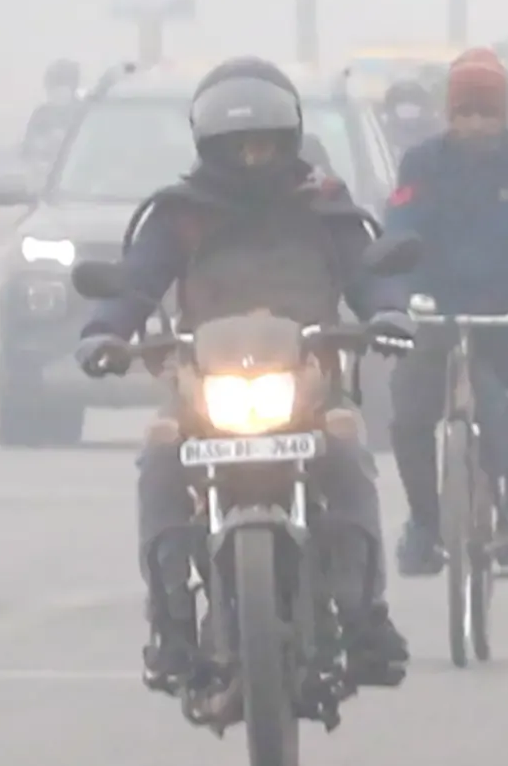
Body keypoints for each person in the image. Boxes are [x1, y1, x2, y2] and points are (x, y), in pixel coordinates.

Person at [72, 55, 405, 693]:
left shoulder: (325, 208)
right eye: (238, 147)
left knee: (348, 450)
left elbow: (370, 277)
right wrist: (104, 333)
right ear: (210, 145)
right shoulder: (179, 215)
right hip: (204, 391)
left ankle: (367, 619)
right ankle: (171, 625)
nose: (253, 159)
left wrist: (391, 314)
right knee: (161, 457)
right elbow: (137, 283)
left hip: (310, 385)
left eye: (265, 145)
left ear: (289, 139)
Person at [382, 46, 508, 577]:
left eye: (485, 113)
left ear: (502, 114)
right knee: (409, 412)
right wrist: (407, 292)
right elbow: (402, 226)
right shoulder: (422, 163)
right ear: (450, 113)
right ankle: (423, 522)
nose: (475, 125)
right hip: (435, 309)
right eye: (465, 113)